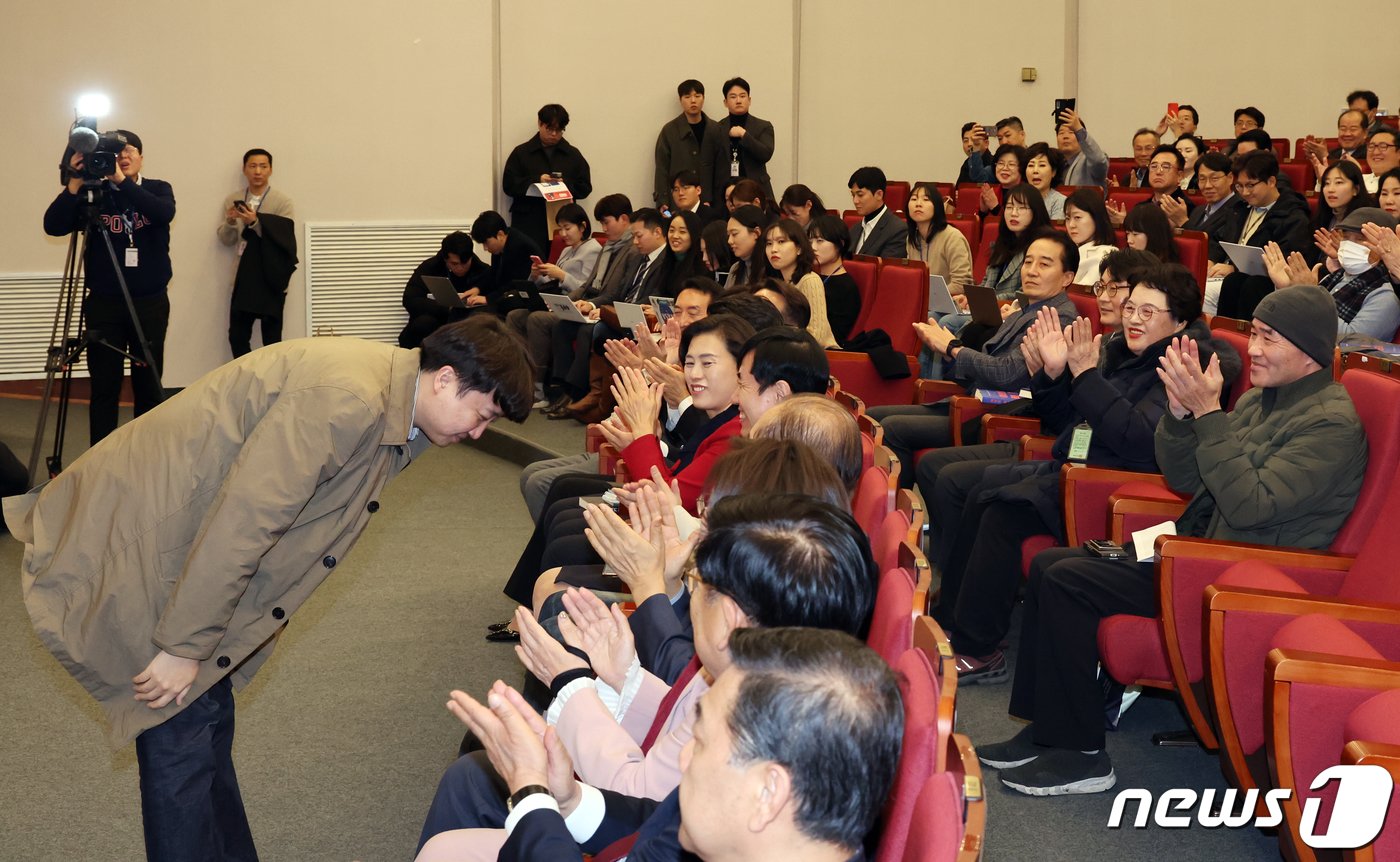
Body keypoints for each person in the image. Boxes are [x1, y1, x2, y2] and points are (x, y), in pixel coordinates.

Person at [3, 318, 532, 861]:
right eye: (482, 415)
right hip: (144, 542)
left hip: (181, 546)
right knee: (178, 739)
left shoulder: (387, 400)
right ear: (445, 378)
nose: (478, 434)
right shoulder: (347, 400)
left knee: (203, 723)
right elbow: (244, 524)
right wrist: (185, 645)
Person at [982, 285, 1367, 796]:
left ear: (1309, 350)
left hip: (1241, 574)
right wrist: (1184, 419)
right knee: (1056, 565)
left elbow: (1250, 505)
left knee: (1069, 578)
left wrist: (1209, 417)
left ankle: (1081, 756)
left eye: (1267, 338)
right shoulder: (1259, 400)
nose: (1252, 349)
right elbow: (1188, 478)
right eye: (1253, 334)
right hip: (1198, 548)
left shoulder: (1329, 423)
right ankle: (1049, 733)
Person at [935, 264, 1228, 683]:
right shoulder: (1120, 352)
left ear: (1180, 322)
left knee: (1003, 511)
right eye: (1131, 308)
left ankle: (979, 648)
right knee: (983, 489)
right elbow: (1067, 421)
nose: (1132, 318)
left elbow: (1138, 440)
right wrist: (1052, 375)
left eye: (1148, 313)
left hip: (1113, 482)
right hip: (1078, 463)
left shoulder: (1181, 367)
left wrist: (1087, 375)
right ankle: (954, 620)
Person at [430, 623, 898, 862]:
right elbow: (657, 819)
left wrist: (532, 793)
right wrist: (570, 799)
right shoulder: (769, 834)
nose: (685, 755)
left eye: (700, 740)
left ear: (768, 791)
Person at [866, 231, 1079, 481]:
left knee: (891, 428)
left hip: (1004, 414)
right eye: (1028, 262)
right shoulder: (1028, 308)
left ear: (1067, 277)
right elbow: (988, 364)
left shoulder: (1058, 317)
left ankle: (902, 511)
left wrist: (953, 348)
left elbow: (1009, 374)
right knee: (874, 416)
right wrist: (945, 353)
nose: (1031, 270)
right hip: (976, 401)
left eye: (1044, 264)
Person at [44, 129, 175, 444]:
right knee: (105, 385)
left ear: (142, 158)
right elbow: (53, 225)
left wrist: (120, 180)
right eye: (117, 153)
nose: (124, 157)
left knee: (149, 383)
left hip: (149, 303)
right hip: (104, 304)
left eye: (130, 151)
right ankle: (99, 458)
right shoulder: (94, 194)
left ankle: (145, 453)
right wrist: (74, 183)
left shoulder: (158, 189)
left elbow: (162, 213)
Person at [1264, 207, 1400, 341]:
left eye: (1359, 239)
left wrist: (1311, 295)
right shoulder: (1335, 276)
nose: (1350, 245)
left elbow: (1351, 342)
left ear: (1385, 247)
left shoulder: (1385, 295)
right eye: (1346, 237)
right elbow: (1291, 320)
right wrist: (1288, 289)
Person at [1212, 151, 1320, 320]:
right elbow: (1220, 238)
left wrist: (1236, 267)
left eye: (1250, 185)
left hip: (1272, 284)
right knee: (1233, 282)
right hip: (1235, 277)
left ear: (1271, 181)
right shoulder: (1239, 209)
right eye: (1239, 186)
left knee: (1250, 284)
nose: (1245, 192)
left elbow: (1291, 257)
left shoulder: (1292, 215)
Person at [218, 148, 296, 357]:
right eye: (252, 166)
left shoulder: (282, 202)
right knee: (237, 335)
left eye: (263, 166)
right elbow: (226, 240)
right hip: (243, 277)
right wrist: (231, 220)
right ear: (244, 170)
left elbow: (285, 239)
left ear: (270, 170)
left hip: (271, 277)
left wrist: (256, 222)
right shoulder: (233, 199)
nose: (258, 171)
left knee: (272, 339)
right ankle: (246, 377)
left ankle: (272, 382)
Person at [502, 104, 593, 254]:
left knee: (560, 264)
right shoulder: (521, 153)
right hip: (528, 222)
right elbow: (508, 185)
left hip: (561, 223)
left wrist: (564, 186)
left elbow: (585, 187)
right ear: (539, 124)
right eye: (549, 129)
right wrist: (536, 180)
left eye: (559, 130)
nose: (554, 134)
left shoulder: (572, 155)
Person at [400, 231, 494, 349]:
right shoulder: (431, 267)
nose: (460, 268)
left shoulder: (484, 271)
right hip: (435, 322)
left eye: (465, 263)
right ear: (445, 259)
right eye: (454, 264)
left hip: (468, 325)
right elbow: (410, 299)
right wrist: (445, 308)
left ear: (471, 256)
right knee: (423, 324)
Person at [764, 219, 838, 348]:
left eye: (781, 242)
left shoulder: (809, 280)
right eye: (769, 243)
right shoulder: (781, 283)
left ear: (799, 248)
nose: (773, 249)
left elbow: (817, 336)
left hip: (819, 357)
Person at [654, 80, 727, 209]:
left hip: (710, 204)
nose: (693, 101)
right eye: (687, 97)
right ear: (680, 100)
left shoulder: (715, 129)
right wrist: (662, 201)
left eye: (697, 96)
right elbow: (662, 170)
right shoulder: (670, 131)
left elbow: (721, 170)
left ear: (703, 98)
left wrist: (717, 200)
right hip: (678, 204)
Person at [907, 181, 974, 292]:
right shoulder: (912, 238)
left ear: (937, 206)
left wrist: (929, 297)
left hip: (949, 305)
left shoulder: (953, 237)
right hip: (922, 303)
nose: (918, 204)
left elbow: (961, 284)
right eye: (914, 199)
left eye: (926, 200)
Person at [1173, 151, 1240, 263]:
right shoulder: (1198, 210)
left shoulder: (1238, 210)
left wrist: (1183, 222)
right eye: (1202, 179)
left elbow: (1217, 252)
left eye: (1214, 179)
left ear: (1230, 178)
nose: (1207, 186)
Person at [717, 77, 776, 202]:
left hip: (756, 189)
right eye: (733, 97)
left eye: (742, 96)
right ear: (725, 102)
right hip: (727, 191)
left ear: (749, 100)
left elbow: (765, 154)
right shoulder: (717, 128)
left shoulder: (763, 126)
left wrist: (744, 135)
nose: (738, 100)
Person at [470, 210, 545, 307]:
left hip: (525, 298)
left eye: (486, 243)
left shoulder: (520, 246)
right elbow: (494, 273)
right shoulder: (501, 245)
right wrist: (477, 288)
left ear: (500, 235)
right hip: (507, 295)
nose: (485, 248)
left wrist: (489, 299)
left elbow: (513, 283)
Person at [528, 202, 601, 295]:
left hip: (574, 303)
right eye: (560, 229)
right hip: (555, 297)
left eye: (567, 228)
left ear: (582, 226)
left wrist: (562, 275)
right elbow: (551, 282)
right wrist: (536, 275)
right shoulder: (566, 250)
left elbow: (588, 291)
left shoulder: (593, 250)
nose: (563, 234)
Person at [847, 166, 906, 258]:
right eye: (853, 195)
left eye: (860, 195)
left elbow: (887, 269)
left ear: (879, 194)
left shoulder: (897, 230)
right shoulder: (854, 229)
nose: (855, 200)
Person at [1062, 188, 1116, 284]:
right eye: (1067, 218)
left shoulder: (1106, 255)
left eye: (1077, 217)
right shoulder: (1064, 250)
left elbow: (1080, 296)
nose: (1071, 225)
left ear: (1096, 218)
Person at [1056, 107, 1109, 188]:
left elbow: (1099, 161)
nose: (1065, 136)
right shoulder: (1054, 162)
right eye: (1061, 133)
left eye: (1071, 132)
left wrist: (1078, 128)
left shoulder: (1089, 160)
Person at [725, 204, 769, 288]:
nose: (729, 241)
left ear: (756, 233)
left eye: (734, 234)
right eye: (728, 235)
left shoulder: (772, 269)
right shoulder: (735, 269)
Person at [978, 144, 1028, 216]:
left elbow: (1017, 223)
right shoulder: (992, 193)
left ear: (1022, 167)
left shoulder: (1028, 194)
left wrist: (995, 208)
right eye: (1001, 163)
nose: (1004, 168)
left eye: (1011, 164)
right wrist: (983, 211)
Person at [1024, 142, 1067, 219]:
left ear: (1053, 172)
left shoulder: (1060, 202)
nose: (1035, 171)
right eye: (1031, 165)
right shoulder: (1018, 199)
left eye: (1042, 165)